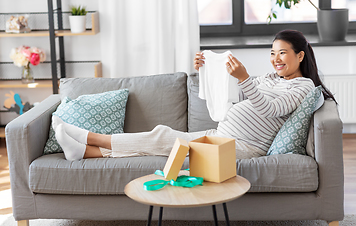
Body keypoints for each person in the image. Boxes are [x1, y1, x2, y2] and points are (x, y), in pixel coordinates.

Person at [53, 29, 335, 161]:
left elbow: (271, 109)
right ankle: (85, 152)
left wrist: (245, 78)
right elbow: (237, 94)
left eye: (282, 53)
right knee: (160, 144)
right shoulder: (270, 77)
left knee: (161, 137)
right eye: (272, 53)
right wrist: (205, 70)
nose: (276, 59)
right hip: (222, 136)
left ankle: (88, 136)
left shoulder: (303, 88)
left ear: (299, 55)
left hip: (244, 149)